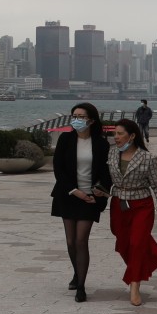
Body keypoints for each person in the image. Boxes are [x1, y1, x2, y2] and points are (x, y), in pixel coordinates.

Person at [104, 118, 157, 306]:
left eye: (120, 133)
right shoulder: (111, 153)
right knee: (124, 242)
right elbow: (105, 177)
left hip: (142, 205)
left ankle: (135, 285)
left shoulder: (147, 158)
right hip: (118, 204)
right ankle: (144, 265)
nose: (115, 137)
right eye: (114, 133)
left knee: (137, 242)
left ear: (132, 136)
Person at [50, 102, 112, 303]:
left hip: (90, 198)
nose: (77, 119)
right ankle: (77, 273)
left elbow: (106, 173)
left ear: (91, 120)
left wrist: (100, 191)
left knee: (80, 240)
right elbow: (59, 170)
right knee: (70, 241)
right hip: (68, 195)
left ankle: (82, 287)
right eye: (74, 116)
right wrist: (75, 192)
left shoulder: (101, 143)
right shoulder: (66, 139)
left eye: (81, 116)